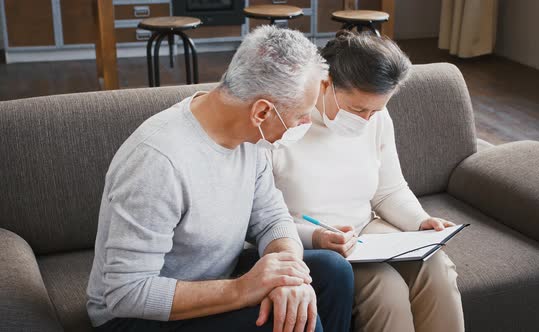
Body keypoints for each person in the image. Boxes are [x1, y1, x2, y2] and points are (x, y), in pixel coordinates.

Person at [86, 25, 354, 332]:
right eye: (300, 115)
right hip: (133, 318)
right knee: (288, 325)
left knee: (334, 272)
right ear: (262, 112)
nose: (306, 123)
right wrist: (243, 290)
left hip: (214, 279)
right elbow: (127, 294)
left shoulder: (250, 139)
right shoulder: (159, 162)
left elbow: (270, 219)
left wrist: (288, 274)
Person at [270, 30, 465, 332]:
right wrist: (316, 237)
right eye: (357, 108)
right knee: (385, 289)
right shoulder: (283, 124)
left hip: (365, 232)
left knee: (437, 266)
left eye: (376, 110)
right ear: (326, 84)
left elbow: (390, 190)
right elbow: (260, 219)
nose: (365, 120)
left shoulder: (377, 118)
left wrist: (420, 221)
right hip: (310, 243)